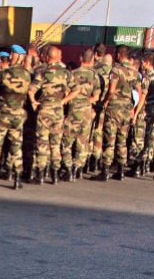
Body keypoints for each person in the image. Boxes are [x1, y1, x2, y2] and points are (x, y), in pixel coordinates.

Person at [0, 45, 31, 190]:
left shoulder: (3, 74)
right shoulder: (27, 75)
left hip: (2, 115)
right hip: (17, 116)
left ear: (12, 56)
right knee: (16, 147)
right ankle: (17, 179)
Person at [97, 45, 142, 181]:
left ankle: (105, 170)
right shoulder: (134, 72)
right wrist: (133, 108)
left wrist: (105, 102)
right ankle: (121, 170)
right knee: (122, 140)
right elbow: (139, 92)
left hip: (114, 108)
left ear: (118, 55)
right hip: (127, 109)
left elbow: (111, 90)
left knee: (110, 139)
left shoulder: (116, 69)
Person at [28, 46, 72, 185]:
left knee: (42, 143)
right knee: (55, 144)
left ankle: (40, 175)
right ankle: (55, 175)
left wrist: (34, 102)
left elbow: (31, 90)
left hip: (45, 110)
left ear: (47, 57)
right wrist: (64, 101)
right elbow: (76, 89)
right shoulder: (66, 73)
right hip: (58, 111)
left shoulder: (42, 72)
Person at [60, 48, 100, 181]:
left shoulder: (72, 74)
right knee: (83, 141)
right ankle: (78, 168)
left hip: (73, 110)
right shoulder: (95, 76)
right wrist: (85, 102)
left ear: (81, 58)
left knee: (66, 141)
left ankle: (68, 167)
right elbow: (96, 97)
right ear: (92, 59)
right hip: (87, 112)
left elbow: (66, 93)